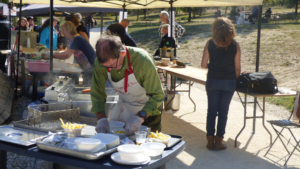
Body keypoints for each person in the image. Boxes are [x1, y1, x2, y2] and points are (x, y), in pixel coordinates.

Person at [91, 34, 164, 135]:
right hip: (125, 107)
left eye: (113, 65)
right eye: (105, 66)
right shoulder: (100, 63)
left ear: (123, 53)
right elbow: (97, 92)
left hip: (149, 109)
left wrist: (140, 117)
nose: (109, 69)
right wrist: (101, 119)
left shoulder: (142, 60)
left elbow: (158, 95)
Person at [201, 17, 241, 151]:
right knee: (223, 112)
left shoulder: (210, 43)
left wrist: (213, 66)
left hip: (212, 80)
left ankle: (209, 141)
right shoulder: (235, 45)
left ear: (215, 29)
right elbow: (237, 68)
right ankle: (219, 142)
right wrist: (234, 81)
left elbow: (203, 64)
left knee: (211, 111)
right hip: (229, 81)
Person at [52, 21, 96, 86]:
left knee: (87, 88)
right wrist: (53, 54)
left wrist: (51, 55)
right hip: (88, 68)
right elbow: (66, 52)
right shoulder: (74, 39)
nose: (62, 33)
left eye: (63, 31)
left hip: (92, 68)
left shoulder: (77, 39)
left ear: (69, 30)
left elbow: (67, 55)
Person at [0, 6, 10, 73]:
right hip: (0, 40)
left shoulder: (9, 18)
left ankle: (3, 67)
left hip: (7, 40)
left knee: (5, 54)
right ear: (0, 11)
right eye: (4, 11)